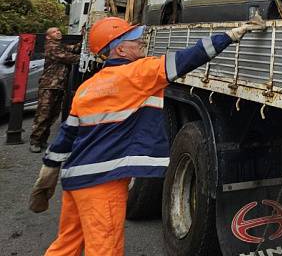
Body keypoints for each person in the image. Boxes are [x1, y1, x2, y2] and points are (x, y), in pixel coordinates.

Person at [28, 15, 263, 256]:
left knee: (65, 246)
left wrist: (48, 172)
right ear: (120, 48)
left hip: (75, 180)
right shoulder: (139, 74)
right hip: (103, 183)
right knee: (105, 250)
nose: (141, 41)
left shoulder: (87, 87)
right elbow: (188, 58)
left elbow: (66, 136)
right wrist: (231, 35)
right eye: (134, 39)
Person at [29, 27, 80, 153]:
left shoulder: (60, 45)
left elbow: (73, 48)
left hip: (58, 86)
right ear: (48, 37)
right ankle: (35, 141)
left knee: (52, 115)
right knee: (43, 114)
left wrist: (85, 40)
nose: (58, 32)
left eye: (58, 30)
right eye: (54, 32)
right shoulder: (51, 47)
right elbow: (69, 57)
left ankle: (42, 141)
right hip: (49, 86)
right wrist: (84, 58)